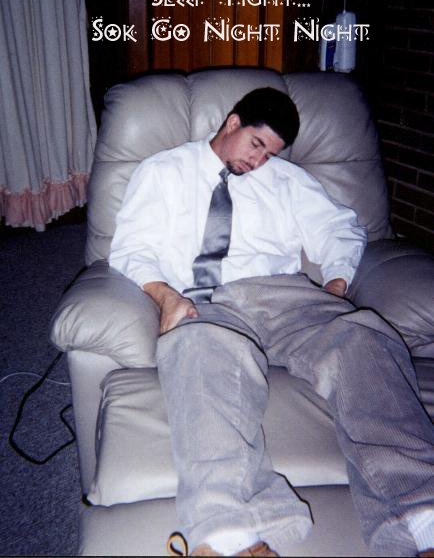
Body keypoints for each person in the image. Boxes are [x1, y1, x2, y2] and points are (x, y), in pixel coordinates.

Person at [109, 87, 434, 558]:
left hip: (283, 295)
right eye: (256, 144)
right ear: (232, 123)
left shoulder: (287, 180)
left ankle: (421, 516)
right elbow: (131, 247)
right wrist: (165, 297)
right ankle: (231, 533)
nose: (259, 161)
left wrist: (336, 282)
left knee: (362, 339)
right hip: (205, 300)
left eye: (271, 154)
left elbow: (337, 229)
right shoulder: (163, 172)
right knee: (196, 352)